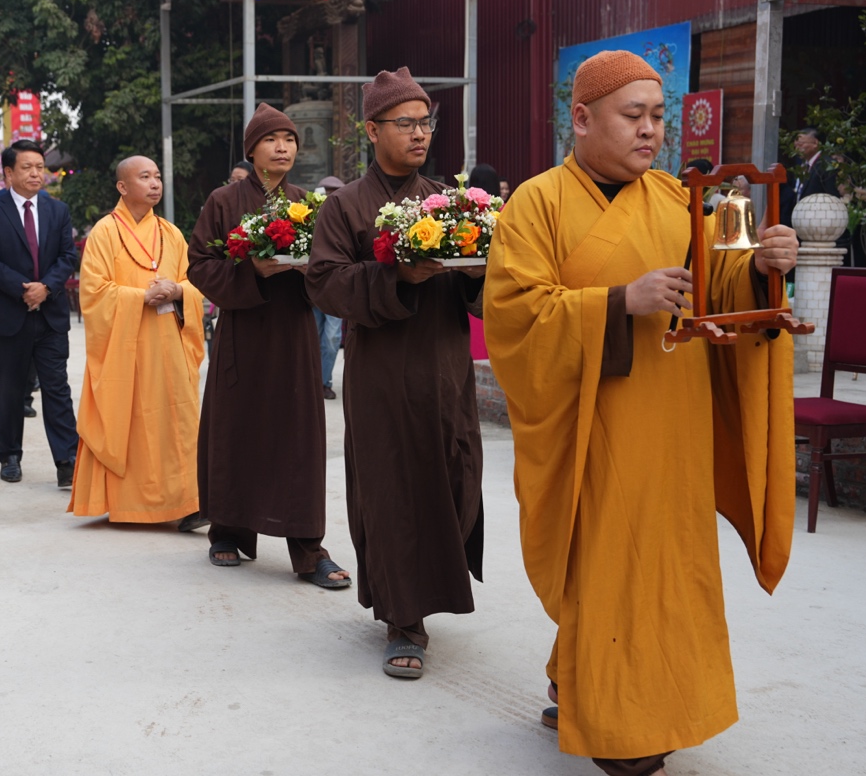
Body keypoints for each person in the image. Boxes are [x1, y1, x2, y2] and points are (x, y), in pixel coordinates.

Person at [483, 49, 797, 776]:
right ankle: (619, 725)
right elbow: (514, 315)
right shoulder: (536, 203)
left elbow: (720, 284)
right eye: (633, 116)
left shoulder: (676, 200)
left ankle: (602, 689)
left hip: (673, 421)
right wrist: (619, 301)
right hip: (591, 426)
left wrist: (759, 267)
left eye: (657, 116)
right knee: (605, 563)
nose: (650, 130)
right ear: (582, 118)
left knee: (665, 569)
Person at [306, 67, 486, 679]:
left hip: (445, 369)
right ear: (371, 129)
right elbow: (325, 282)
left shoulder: (450, 201)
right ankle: (403, 618)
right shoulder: (346, 206)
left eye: (426, 123)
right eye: (405, 123)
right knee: (393, 493)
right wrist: (396, 276)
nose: (419, 134)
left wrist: (478, 270)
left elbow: (486, 290)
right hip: (382, 376)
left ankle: (432, 586)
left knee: (456, 477)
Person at [188, 105, 350, 586]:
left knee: (298, 438)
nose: (283, 147)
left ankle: (308, 548)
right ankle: (227, 530)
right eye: (271, 139)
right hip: (244, 331)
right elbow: (200, 265)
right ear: (252, 149)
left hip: (294, 334)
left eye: (290, 139)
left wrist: (310, 270)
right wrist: (252, 271)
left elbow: (329, 267)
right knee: (237, 429)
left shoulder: (307, 203)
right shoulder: (223, 201)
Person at [69, 156, 206, 526]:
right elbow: (93, 292)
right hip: (126, 348)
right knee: (130, 421)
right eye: (145, 177)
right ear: (122, 186)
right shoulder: (104, 232)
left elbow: (194, 282)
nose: (155, 183)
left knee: (178, 421)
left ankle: (188, 503)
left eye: (157, 176)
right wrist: (140, 297)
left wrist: (178, 290)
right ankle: (129, 503)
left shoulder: (170, 233)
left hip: (170, 345)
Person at [0, 139, 79, 486]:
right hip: (7, 315)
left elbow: (67, 256)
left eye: (39, 167)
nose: (35, 173)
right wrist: (24, 290)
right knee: (10, 391)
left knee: (57, 389)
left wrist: (45, 287)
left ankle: (67, 461)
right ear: (8, 173)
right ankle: (10, 456)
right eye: (27, 167)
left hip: (50, 316)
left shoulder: (57, 210)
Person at [313, 175, 346, 400]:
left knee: (332, 337)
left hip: (337, 289)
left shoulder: (346, 217)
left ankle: (324, 382)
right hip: (313, 287)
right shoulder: (310, 218)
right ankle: (313, 380)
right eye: (328, 193)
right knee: (313, 335)